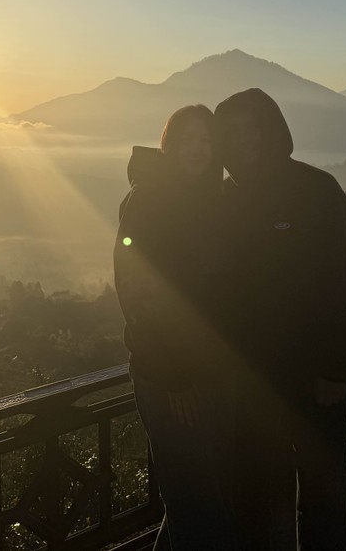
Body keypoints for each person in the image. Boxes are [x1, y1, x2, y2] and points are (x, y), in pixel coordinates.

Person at [212, 88, 346, 550]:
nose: (245, 140)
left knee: (323, 493)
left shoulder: (316, 190)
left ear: (273, 131)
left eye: (253, 128)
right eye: (233, 132)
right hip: (250, 384)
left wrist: (336, 366)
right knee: (254, 493)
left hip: (315, 379)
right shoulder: (222, 201)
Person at [113, 104, 237, 548]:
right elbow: (138, 294)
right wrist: (175, 377)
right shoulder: (147, 202)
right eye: (187, 140)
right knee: (198, 507)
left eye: (206, 141)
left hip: (208, 374)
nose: (197, 150)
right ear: (169, 144)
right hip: (167, 379)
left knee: (195, 503)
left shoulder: (211, 199)